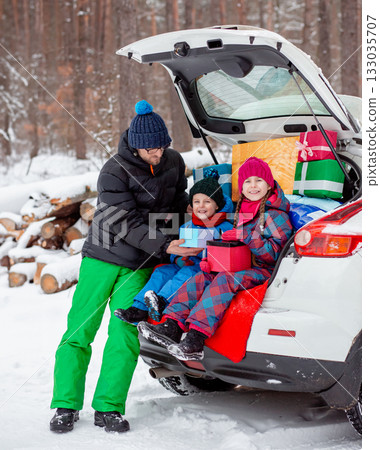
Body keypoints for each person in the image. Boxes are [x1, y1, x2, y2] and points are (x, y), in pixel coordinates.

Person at [49, 100, 201, 433]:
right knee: (80, 331)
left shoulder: (174, 162)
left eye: (161, 147)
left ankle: (109, 407)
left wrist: (186, 232)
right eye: (150, 149)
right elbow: (125, 222)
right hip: (102, 257)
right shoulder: (114, 169)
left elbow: (177, 204)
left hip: (140, 263)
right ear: (134, 144)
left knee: (124, 334)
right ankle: (65, 404)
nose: (157, 154)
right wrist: (165, 244)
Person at [138, 157, 293, 360]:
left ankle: (196, 337)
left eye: (258, 181)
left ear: (269, 184)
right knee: (201, 276)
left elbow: (274, 255)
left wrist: (248, 236)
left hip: (264, 270)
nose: (253, 186)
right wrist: (213, 260)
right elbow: (235, 249)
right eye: (247, 181)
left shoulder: (275, 215)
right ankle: (172, 325)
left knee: (224, 280)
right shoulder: (243, 210)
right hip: (240, 265)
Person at [114, 168, 234, 324]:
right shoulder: (188, 226)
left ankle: (162, 301)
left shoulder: (223, 227)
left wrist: (206, 251)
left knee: (186, 275)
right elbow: (178, 247)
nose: (201, 206)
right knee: (163, 271)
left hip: (204, 268)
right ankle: (139, 309)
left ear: (217, 205)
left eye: (207, 201)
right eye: (197, 202)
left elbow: (228, 252)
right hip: (185, 263)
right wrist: (177, 258)